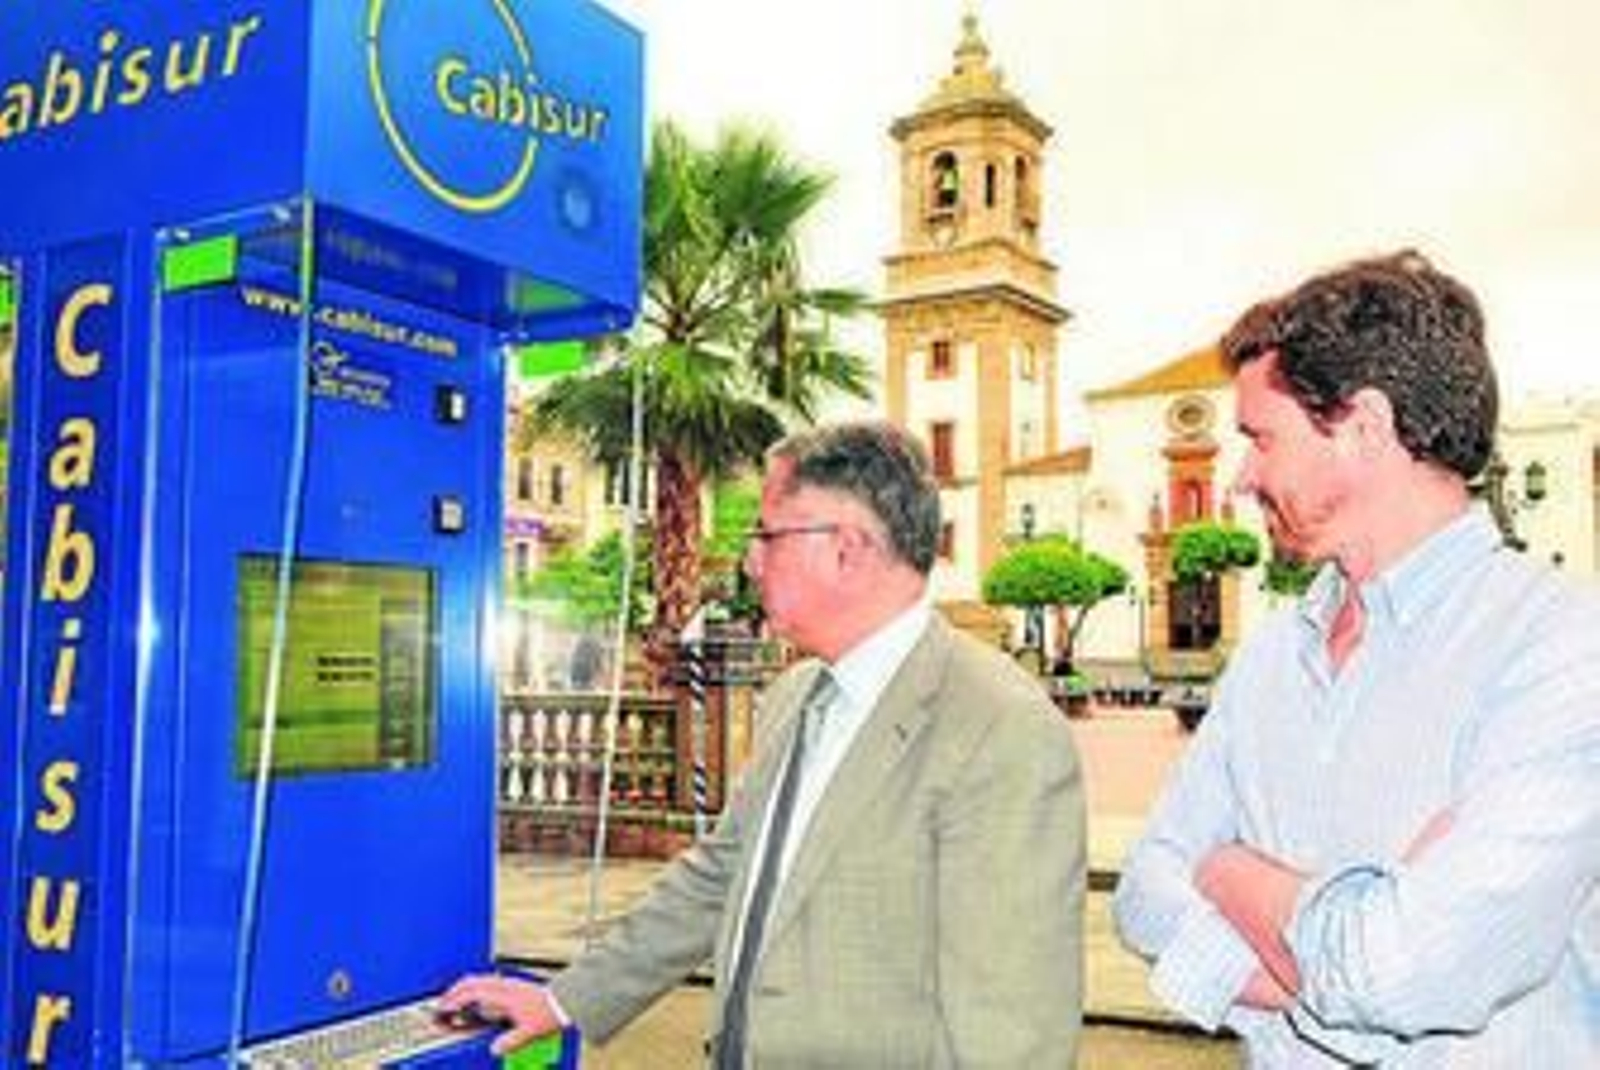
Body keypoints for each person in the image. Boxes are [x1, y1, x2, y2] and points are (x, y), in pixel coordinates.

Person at [444, 420, 1086, 1065]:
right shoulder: (795, 695)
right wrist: (566, 1000)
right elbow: (719, 877)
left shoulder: (999, 729)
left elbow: (1012, 1035)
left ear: (846, 548)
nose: (750, 558)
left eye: (768, 534)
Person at [1113, 250, 1600, 1065]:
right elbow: (1143, 896)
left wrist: (1228, 871)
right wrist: (1334, 966)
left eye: (1262, 440)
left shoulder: (1561, 650)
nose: (1240, 478)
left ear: (1365, 427)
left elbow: (1409, 975)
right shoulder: (1272, 653)